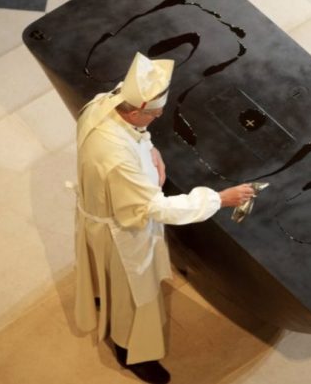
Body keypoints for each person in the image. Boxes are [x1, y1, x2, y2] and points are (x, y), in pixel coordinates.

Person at [71, 52, 255, 384]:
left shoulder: (104, 103)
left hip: (95, 214)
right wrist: (219, 198)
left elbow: (134, 133)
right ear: (136, 111)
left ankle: (100, 297)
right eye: (154, 115)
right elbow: (157, 208)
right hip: (121, 235)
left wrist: (150, 149)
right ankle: (131, 350)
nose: (157, 119)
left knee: (102, 274)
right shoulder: (116, 158)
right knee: (135, 297)